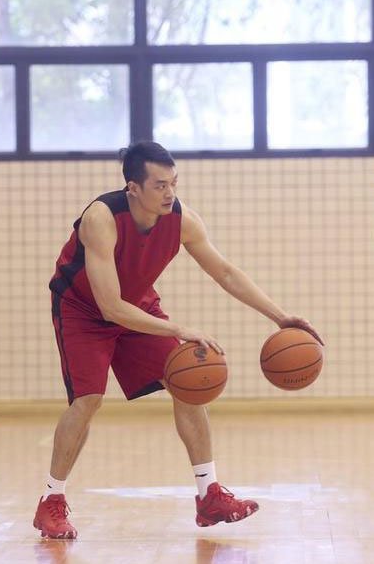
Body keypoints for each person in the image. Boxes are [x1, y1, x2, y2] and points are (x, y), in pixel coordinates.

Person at [34, 141, 322, 539]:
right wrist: (178, 329)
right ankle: (51, 501)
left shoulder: (182, 219)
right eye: (160, 185)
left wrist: (279, 316)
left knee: (189, 384)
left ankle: (209, 495)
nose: (170, 193)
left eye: (173, 183)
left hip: (136, 304)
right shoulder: (101, 218)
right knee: (88, 400)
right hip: (84, 310)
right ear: (133, 188)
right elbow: (110, 307)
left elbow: (225, 272)